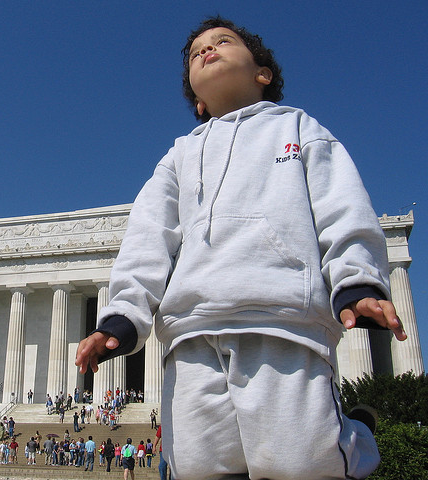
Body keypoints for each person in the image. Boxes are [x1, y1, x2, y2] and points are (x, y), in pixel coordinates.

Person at [75, 14, 407, 480]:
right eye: (195, 53)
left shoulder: (298, 129)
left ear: (262, 73)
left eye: (223, 42)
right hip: (190, 330)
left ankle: (355, 436)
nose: (207, 50)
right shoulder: (178, 157)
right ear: (195, 102)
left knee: (301, 460)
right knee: (197, 465)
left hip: (278, 317)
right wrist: (123, 316)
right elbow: (147, 240)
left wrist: (357, 281)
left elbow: (342, 206)